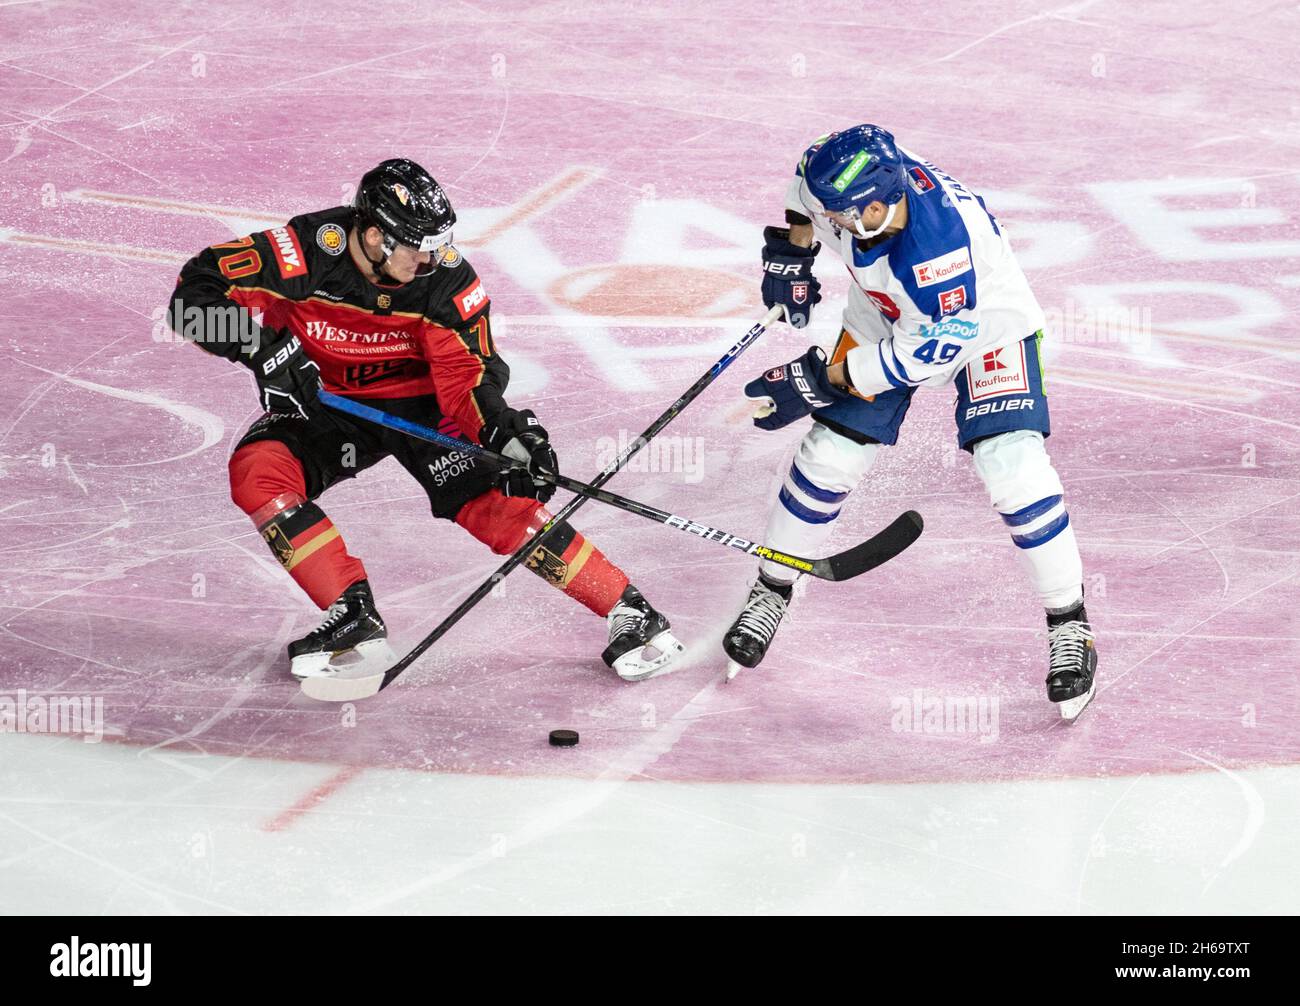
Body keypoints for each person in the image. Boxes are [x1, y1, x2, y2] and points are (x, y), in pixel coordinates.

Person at [168, 158, 682, 681]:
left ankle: (632, 612)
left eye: (439, 244)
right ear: (374, 237)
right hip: (328, 403)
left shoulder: (446, 283)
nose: (433, 259)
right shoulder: (301, 253)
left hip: (424, 405)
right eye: (420, 248)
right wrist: (262, 349)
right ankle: (354, 617)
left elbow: (468, 376)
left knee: (496, 503)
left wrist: (505, 433)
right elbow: (191, 298)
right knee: (259, 472)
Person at [730, 126, 1096, 719]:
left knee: (1013, 467)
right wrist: (795, 254)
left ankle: (1069, 620)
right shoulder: (836, 179)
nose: (839, 228)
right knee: (830, 453)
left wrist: (816, 381)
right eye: (834, 218)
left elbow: (917, 360)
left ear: (882, 201)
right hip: (885, 314)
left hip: (983, 331)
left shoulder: (942, 257)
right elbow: (802, 194)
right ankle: (774, 586)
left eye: (848, 218)